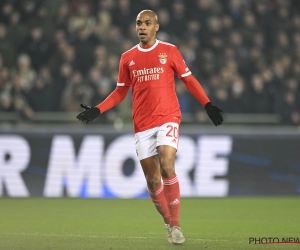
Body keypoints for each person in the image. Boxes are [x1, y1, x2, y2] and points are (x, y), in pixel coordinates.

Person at [76, 10, 223, 245]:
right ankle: (168, 222)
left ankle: (176, 225)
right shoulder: (127, 58)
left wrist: (207, 105)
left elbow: (189, 79)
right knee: (153, 181)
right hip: (142, 124)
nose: (142, 27)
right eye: (138, 23)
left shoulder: (170, 51)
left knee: (167, 164)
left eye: (147, 23)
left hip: (168, 117)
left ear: (156, 27)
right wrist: (98, 110)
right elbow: (121, 91)